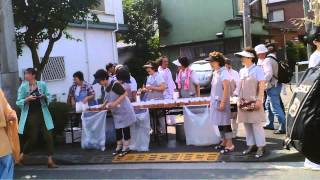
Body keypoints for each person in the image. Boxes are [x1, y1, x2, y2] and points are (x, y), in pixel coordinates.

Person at [16, 68, 58, 168]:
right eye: (25, 74)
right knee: (33, 138)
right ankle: (21, 158)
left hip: (43, 113)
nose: (26, 76)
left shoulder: (42, 84)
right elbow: (18, 102)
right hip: (30, 114)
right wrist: (27, 99)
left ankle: (50, 161)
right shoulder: (23, 87)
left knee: (48, 136)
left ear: (33, 75)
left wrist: (44, 96)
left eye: (27, 74)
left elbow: (49, 96)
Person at [93, 69, 136, 157]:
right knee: (118, 129)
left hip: (124, 109)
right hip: (117, 111)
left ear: (104, 79)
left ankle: (126, 147)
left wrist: (115, 103)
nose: (98, 83)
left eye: (99, 81)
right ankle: (118, 147)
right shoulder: (106, 86)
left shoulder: (114, 84)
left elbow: (124, 94)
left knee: (125, 128)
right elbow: (107, 97)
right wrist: (103, 105)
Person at [235, 48, 266, 158]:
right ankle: (251, 145)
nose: (241, 59)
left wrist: (259, 100)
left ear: (250, 58)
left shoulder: (258, 69)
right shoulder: (241, 71)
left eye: (243, 57)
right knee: (246, 124)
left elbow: (262, 86)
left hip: (254, 100)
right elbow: (239, 87)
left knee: (256, 124)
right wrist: (237, 99)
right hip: (243, 101)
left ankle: (261, 147)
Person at [206, 52, 234, 154]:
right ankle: (224, 141)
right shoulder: (215, 72)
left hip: (222, 101)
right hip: (215, 102)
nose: (210, 63)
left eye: (211, 61)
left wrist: (223, 102)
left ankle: (230, 144)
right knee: (219, 123)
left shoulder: (224, 72)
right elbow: (214, 89)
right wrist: (211, 101)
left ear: (217, 62)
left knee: (226, 123)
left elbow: (226, 88)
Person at [255, 44, 286, 134]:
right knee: (268, 105)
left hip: (272, 86)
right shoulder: (272, 58)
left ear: (262, 53)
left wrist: (261, 83)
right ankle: (270, 124)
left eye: (258, 54)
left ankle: (283, 127)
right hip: (275, 85)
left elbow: (268, 74)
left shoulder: (267, 60)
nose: (257, 56)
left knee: (275, 107)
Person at [304, 32, 320, 170]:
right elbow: (313, 76)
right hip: (316, 96)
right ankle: (311, 160)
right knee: (315, 127)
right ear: (315, 42)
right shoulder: (315, 57)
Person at [0, 89, 18, 179]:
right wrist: (6, 118)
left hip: (3, 143)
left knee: (7, 164)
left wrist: (11, 115)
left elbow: (8, 110)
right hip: (3, 144)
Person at [225, 59, 241, 138]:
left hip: (232, 97)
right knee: (225, 116)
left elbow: (238, 85)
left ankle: (235, 132)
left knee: (234, 115)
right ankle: (228, 132)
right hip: (224, 97)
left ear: (229, 65)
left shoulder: (235, 73)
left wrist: (235, 95)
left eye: (226, 65)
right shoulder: (221, 73)